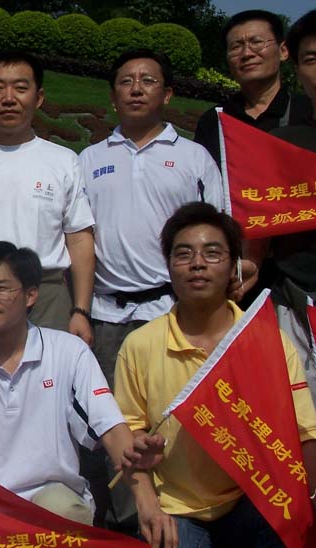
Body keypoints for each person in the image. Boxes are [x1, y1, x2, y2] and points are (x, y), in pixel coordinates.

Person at [0, 242, 167, 537]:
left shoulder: (69, 352)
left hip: (54, 502)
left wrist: (147, 501)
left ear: (31, 295)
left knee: (60, 507)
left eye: (1, 288)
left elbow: (110, 428)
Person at [115, 202, 316, 547]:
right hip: (179, 508)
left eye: (212, 253)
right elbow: (128, 429)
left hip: (257, 497)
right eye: (184, 254)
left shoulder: (268, 340)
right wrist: (141, 449)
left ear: (234, 266)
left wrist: (310, 502)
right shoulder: (139, 345)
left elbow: (305, 431)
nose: (198, 263)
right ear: (168, 266)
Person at [79, 49, 224, 388]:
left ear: (167, 93)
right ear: (113, 96)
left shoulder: (194, 158)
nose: (136, 89)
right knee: (112, 411)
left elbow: (217, 231)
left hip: (173, 309)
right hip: (106, 315)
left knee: (175, 405)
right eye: (126, 82)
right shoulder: (89, 159)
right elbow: (78, 236)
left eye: (148, 81)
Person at [0, 51, 95, 351]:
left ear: (39, 98)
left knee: (52, 379)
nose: (9, 98)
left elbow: (79, 239)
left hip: (47, 297)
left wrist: (80, 310)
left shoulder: (64, 162)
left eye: (21, 88)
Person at [245, 10, 316, 407]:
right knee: (299, 414)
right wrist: (249, 263)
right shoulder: (281, 143)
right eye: (311, 59)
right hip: (296, 301)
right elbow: (261, 224)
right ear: (298, 69)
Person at [194, 10, 313, 170]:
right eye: (236, 47)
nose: (246, 53)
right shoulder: (214, 121)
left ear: (283, 51)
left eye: (256, 42)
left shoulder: (308, 111)